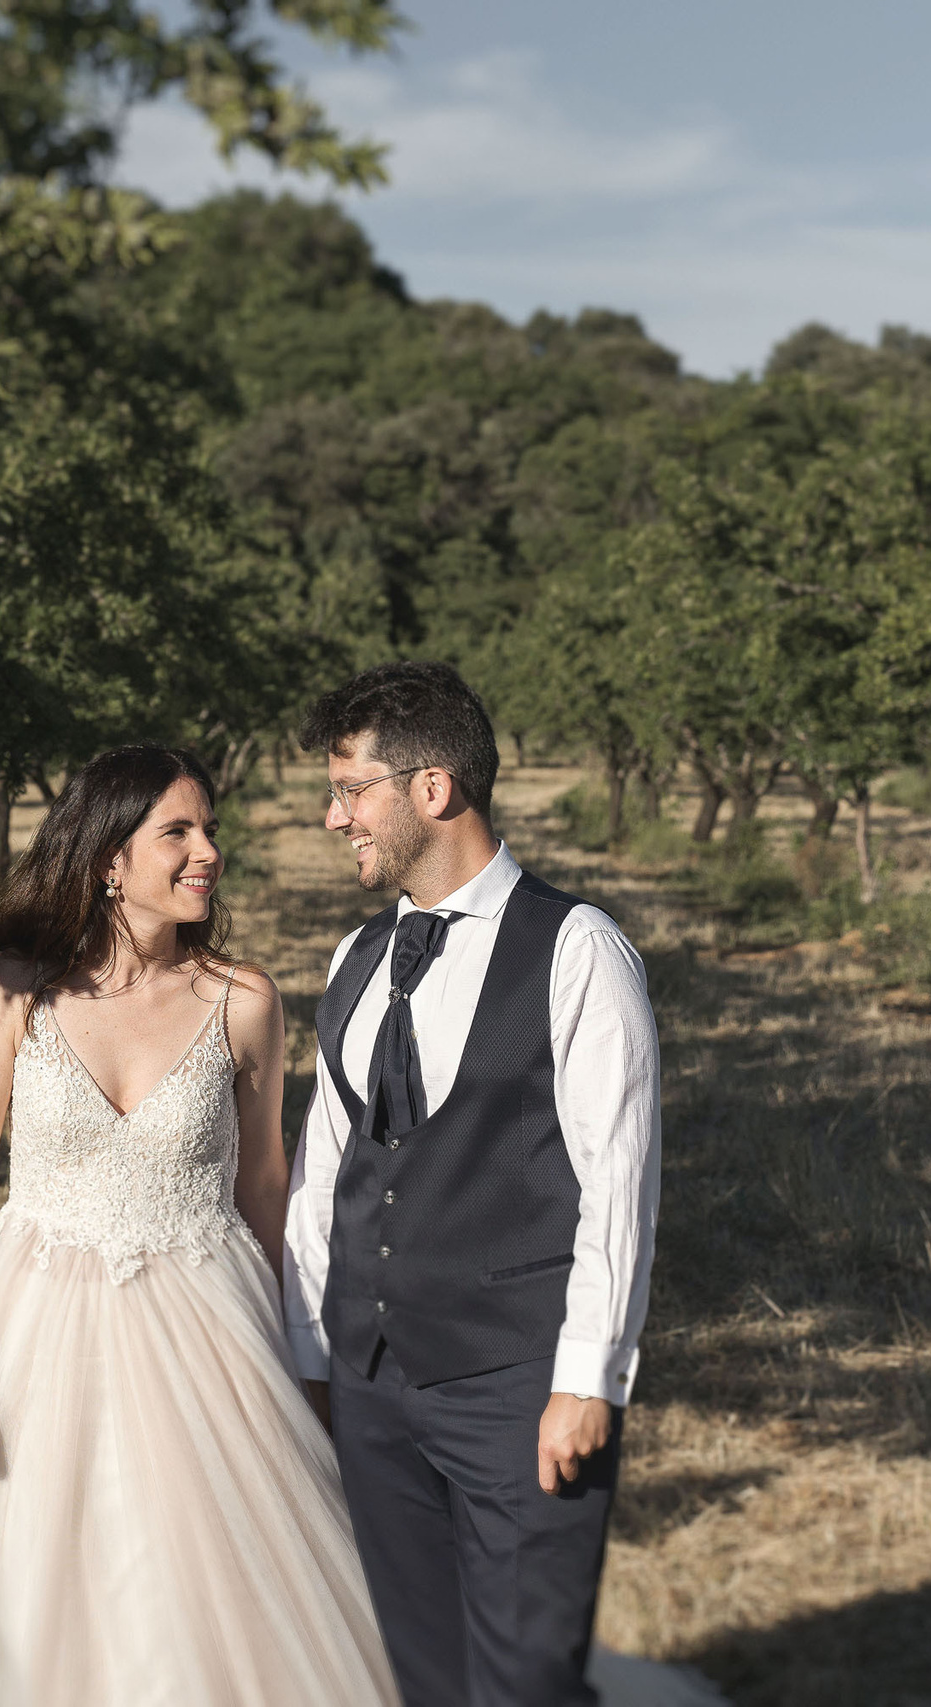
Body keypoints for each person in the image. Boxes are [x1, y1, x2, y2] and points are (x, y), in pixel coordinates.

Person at [0, 745, 399, 1706]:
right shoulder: (15, 990)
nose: (208, 851)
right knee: (57, 1602)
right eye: (177, 831)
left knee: (217, 1589)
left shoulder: (245, 1000)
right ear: (109, 858)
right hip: (37, 1334)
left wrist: (303, 1355)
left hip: (208, 1325)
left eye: (210, 829)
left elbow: (267, 1189)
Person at [284, 661, 663, 1707]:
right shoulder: (357, 955)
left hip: (515, 1386)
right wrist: (313, 1351)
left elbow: (618, 1178)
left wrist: (587, 1380)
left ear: (431, 790)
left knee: (524, 1683)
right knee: (421, 1675)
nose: (333, 816)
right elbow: (329, 1168)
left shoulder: (576, 950)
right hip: (368, 1382)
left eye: (352, 789)